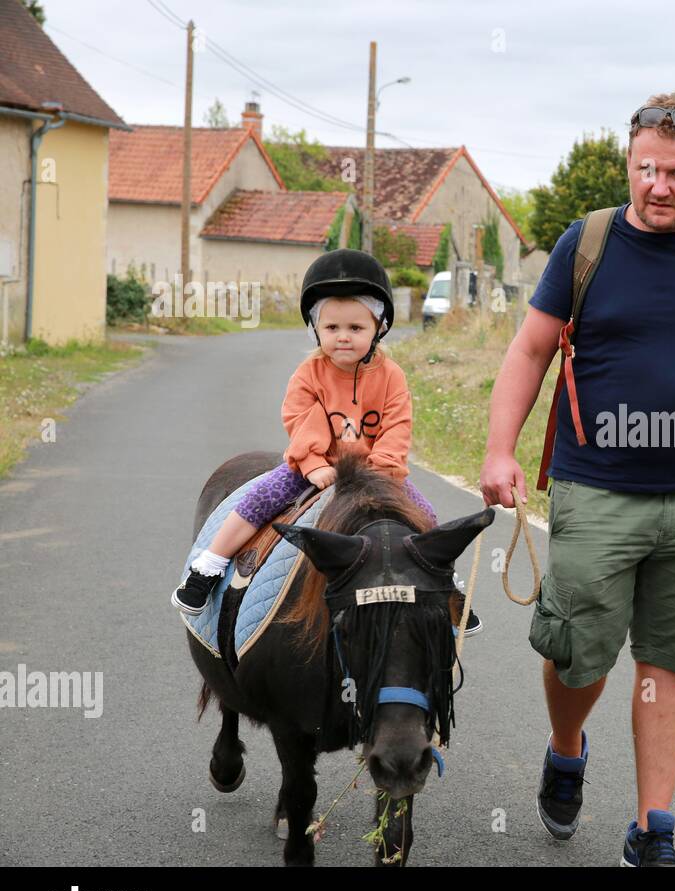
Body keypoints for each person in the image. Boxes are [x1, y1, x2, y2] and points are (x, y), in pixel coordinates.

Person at [478, 91, 675, 866]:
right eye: (646, 169)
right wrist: (500, 450)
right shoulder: (586, 243)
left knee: (670, 659)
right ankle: (566, 749)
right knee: (575, 651)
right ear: (631, 163)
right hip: (597, 488)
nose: (658, 186)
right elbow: (530, 352)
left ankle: (652, 828)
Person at [172, 249, 478, 633]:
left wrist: (379, 473)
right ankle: (210, 566)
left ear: (378, 328)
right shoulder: (309, 373)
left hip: (374, 473)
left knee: (425, 515)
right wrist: (315, 464)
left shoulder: (392, 376)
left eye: (355, 328)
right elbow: (301, 419)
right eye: (332, 328)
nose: (344, 337)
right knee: (261, 498)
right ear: (317, 329)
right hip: (312, 469)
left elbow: (397, 428)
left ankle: (444, 585)